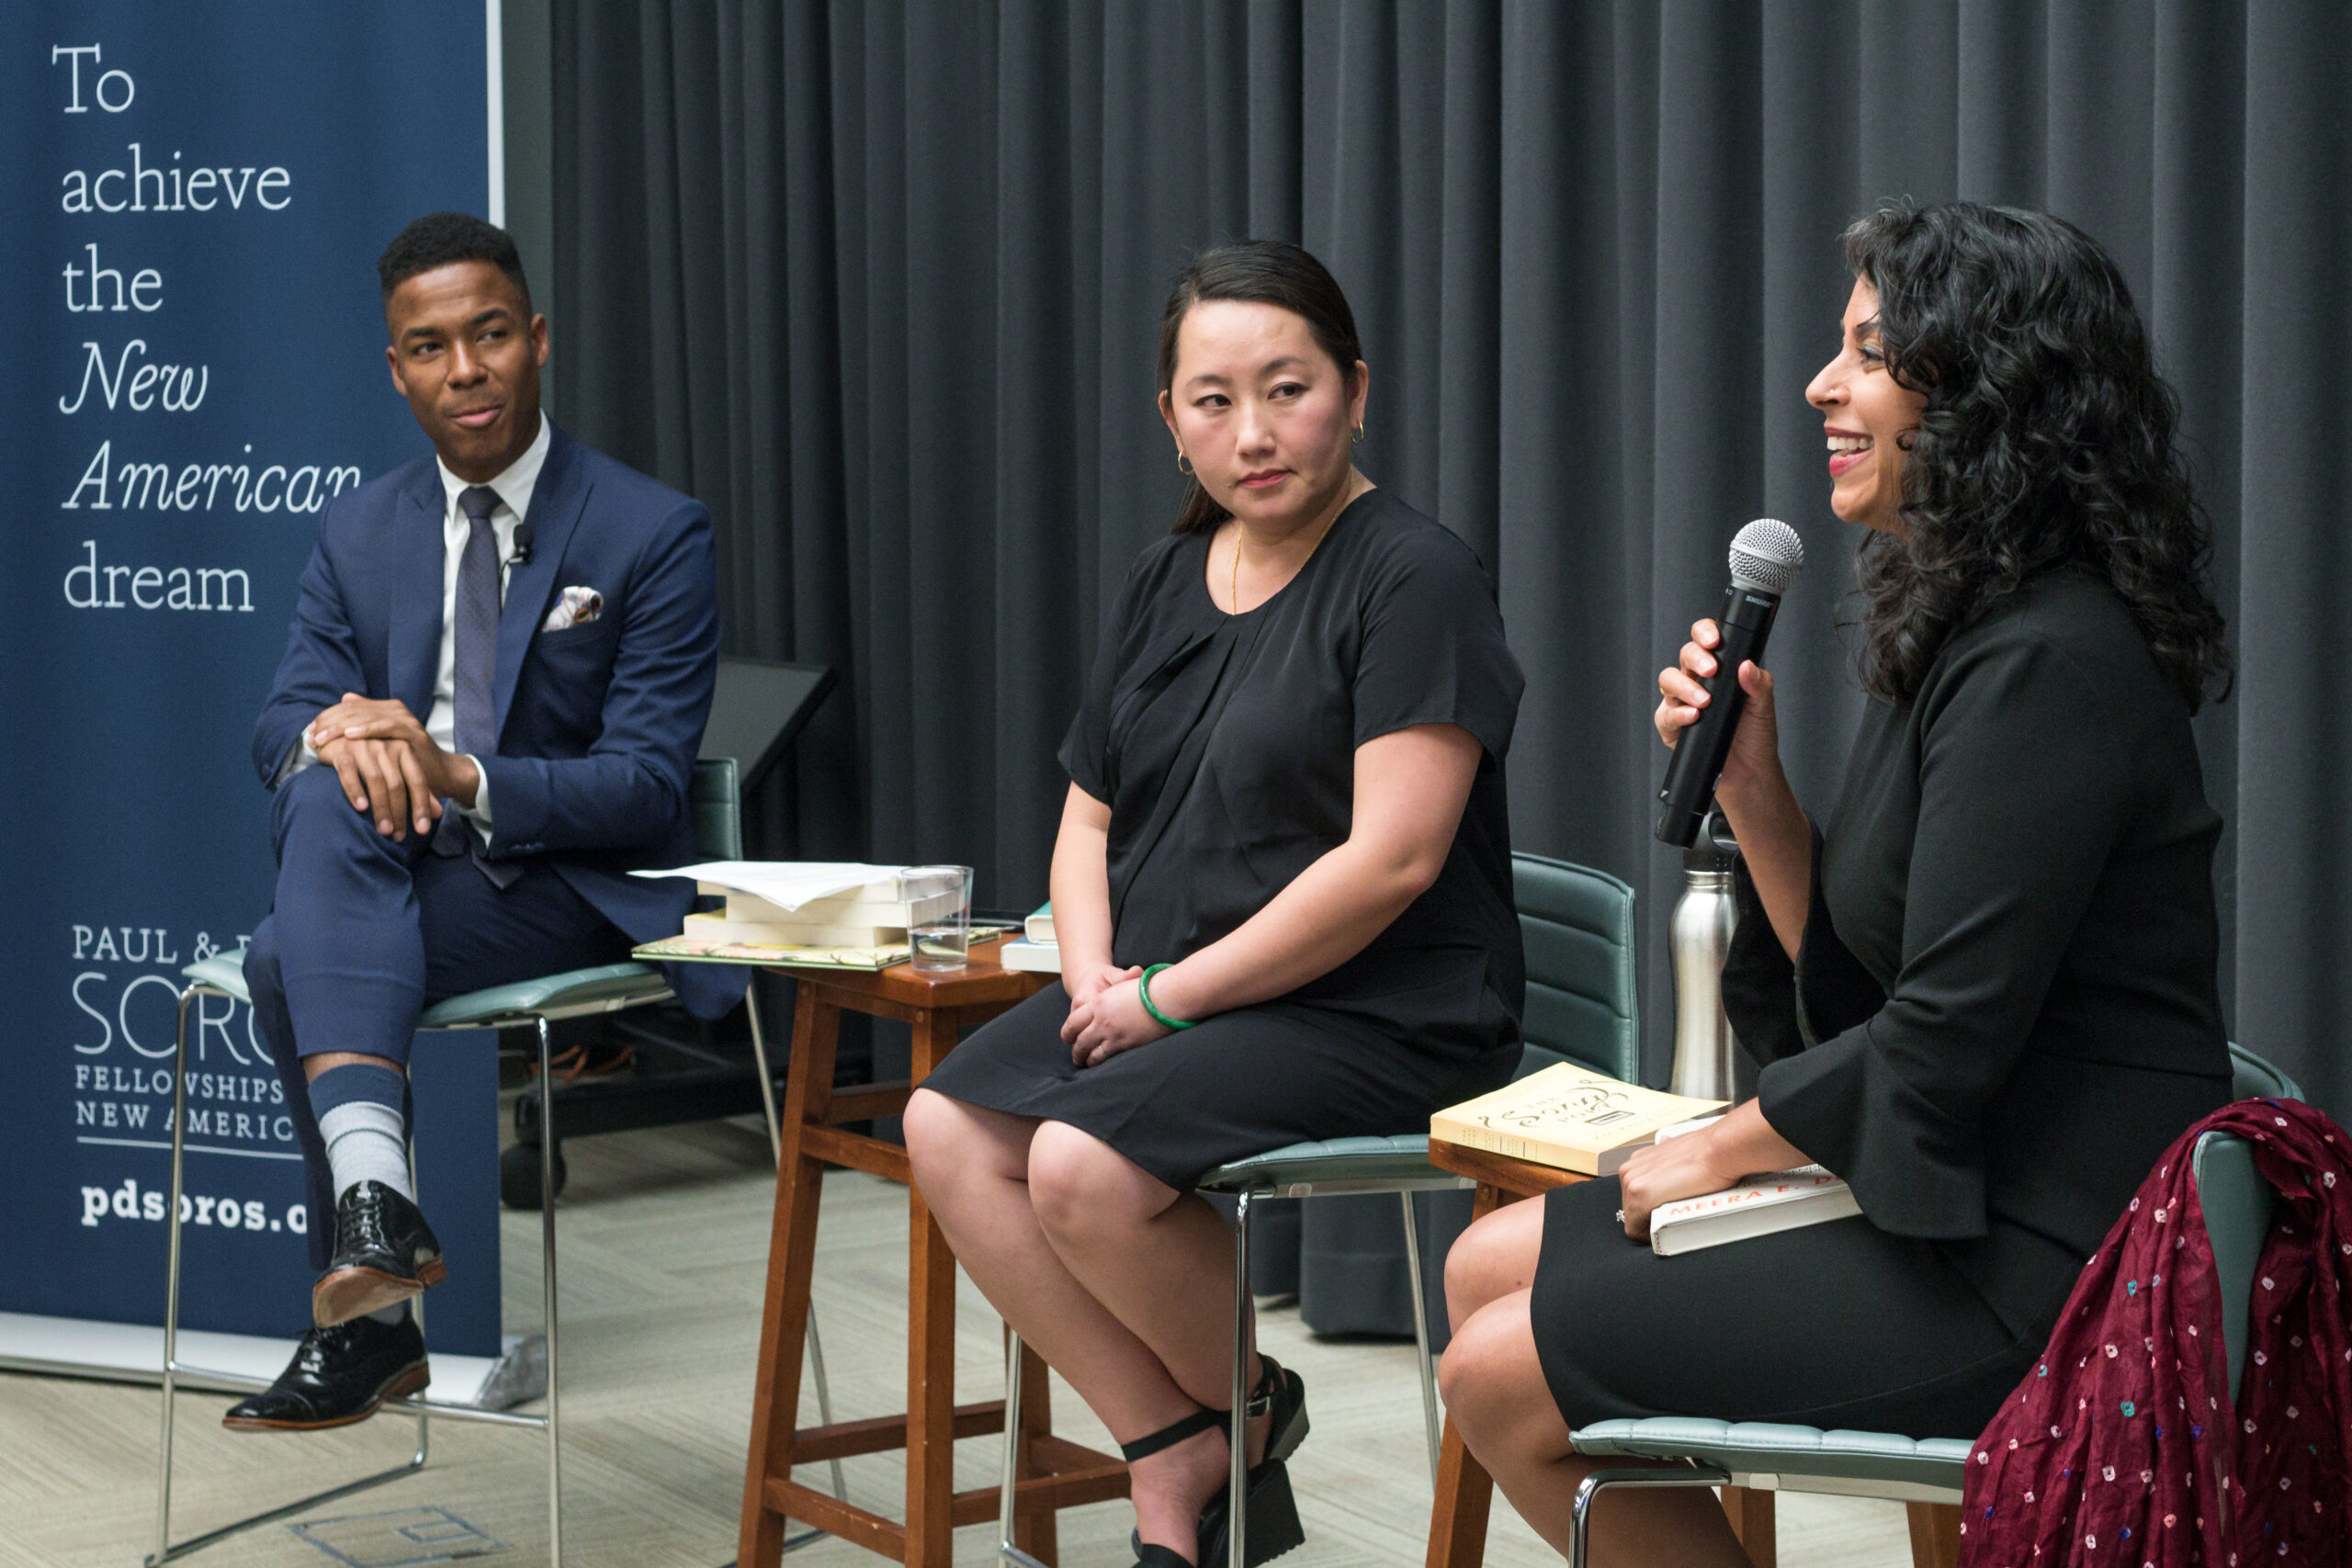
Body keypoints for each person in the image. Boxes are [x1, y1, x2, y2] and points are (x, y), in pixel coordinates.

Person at [1438, 200, 2236, 1566]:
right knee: (1474, 1270)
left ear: (1985, 389)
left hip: (2048, 1254)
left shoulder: (2054, 659)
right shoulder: (1967, 622)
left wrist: (1713, 1148)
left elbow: (1939, 1047)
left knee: (1497, 1374)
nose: (1821, 383)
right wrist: (1754, 798)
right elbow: (1864, 994)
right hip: (1953, 1186)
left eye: (1869, 351)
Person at [902, 240, 1525, 1568]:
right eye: (1212, 400)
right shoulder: (1162, 577)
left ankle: (1239, 1417)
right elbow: (1085, 815)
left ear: (1357, 391)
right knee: (945, 1127)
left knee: (1077, 1163)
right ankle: (1177, 1441)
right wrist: (1090, 983)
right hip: (1171, 997)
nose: (1252, 433)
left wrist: (1161, 1003)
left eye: (1287, 390)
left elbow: (1394, 863)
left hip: (1380, 1008)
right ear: (1170, 419)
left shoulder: (1416, 574)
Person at [226, 212, 743, 1431]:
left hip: (570, 881)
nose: (466, 369)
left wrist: (454, 773)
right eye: (430, 346)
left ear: (538, 340)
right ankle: (377, 1222)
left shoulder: (649, 530)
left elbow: (649, 785)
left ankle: (371, 1319)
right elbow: (277, 724)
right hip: (396, 868)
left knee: (279, 954)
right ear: (395, 369)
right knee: (324, 770)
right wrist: (351, 739)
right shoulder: (359, 529)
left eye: (491, 334)